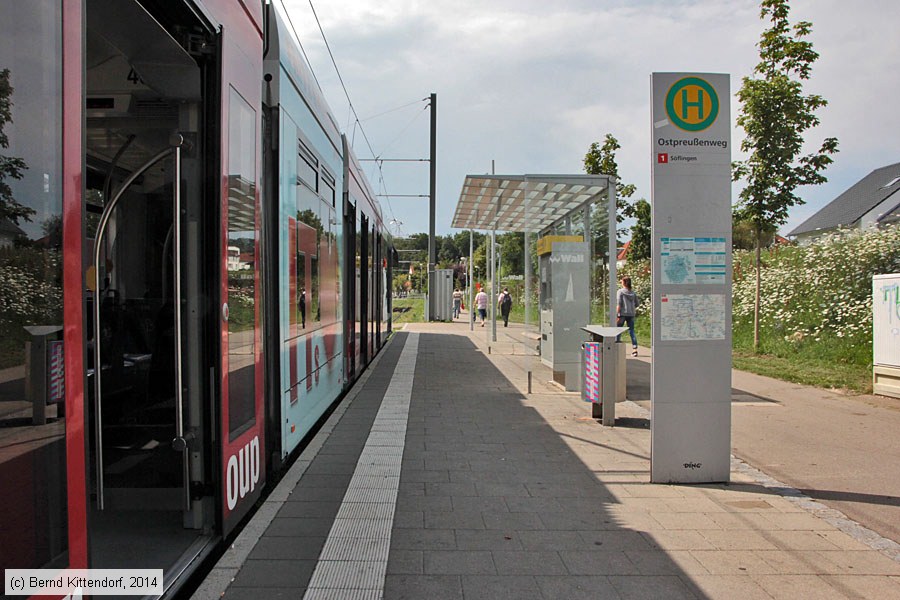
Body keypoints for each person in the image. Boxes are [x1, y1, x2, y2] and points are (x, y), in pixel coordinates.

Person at [616, 277, 639, 356]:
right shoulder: (633, 293)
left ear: (624, 283)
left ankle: (617, 347)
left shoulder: (620, 292)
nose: (621, 282)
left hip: (622, 314)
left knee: (618, 330)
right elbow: (637, 304)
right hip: (631, 314)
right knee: (631, 331)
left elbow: (619, 304)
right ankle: (635, 349)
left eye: (621, 281)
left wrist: (618, 314)